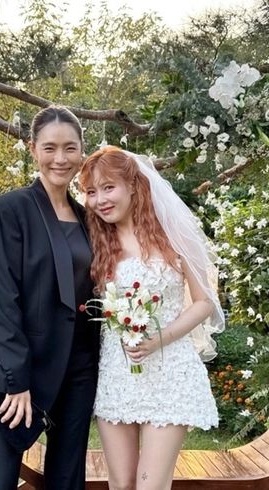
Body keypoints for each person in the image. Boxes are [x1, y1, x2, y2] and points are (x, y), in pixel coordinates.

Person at [78, 146, 222, 490]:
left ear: (132, 185)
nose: (100, 200)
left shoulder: (175, 234)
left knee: (150, 485)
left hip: (169, 371)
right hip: (117, 373)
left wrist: (158, 339)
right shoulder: (96, 240)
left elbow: (204, 303)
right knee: (121, 483)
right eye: (91, 192)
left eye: (108, 187)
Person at [0, 105, 100, 489]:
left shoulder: (89, 218)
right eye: (49, 148)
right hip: (20, 370)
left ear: (81, 151)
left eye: (69, 148)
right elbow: (3, 301)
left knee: (67, 480)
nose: (60, 158)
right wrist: (17, 380)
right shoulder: (10, 209)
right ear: (33, 150)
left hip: (78, 369)